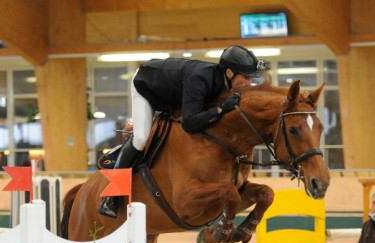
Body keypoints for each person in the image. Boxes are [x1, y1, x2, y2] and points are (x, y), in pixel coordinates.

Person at [98, 45, 266, 218]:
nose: (249, 84)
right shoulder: (200, 79)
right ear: (229, 73)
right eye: (246, 77)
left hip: (174, 91)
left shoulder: (224, 83)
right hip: (146, 86)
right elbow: (190, 124)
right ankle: (112, 196)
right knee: (141, 139)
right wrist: (220, 111)